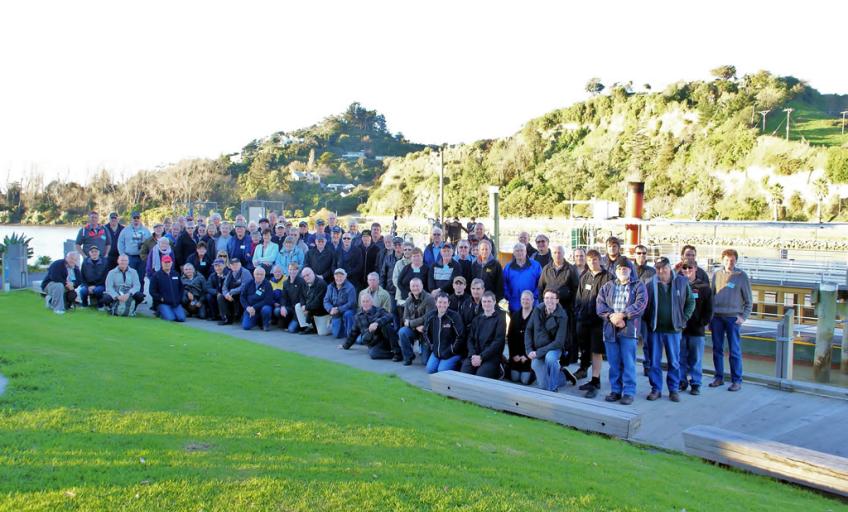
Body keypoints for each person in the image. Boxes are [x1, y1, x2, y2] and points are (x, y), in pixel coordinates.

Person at [644, 257, 695, 402]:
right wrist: (649, 321)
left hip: (673, 330)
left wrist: (683, 319)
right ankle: (656, 389)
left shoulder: (682, 282)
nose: (661, 270)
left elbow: (691, 302)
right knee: (654, 361)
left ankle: (673, 389)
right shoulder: (650, 284)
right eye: (658, 268)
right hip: (655, 330)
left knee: (674, 361)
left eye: (664, 267)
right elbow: (644, 305)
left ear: (669, 267)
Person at [596, 263, 648, 405]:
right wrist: (612, 317)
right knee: (614, 363)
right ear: (615, 270)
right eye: (619, 268)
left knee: (629, 362)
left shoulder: (638, 286)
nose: (622, 270)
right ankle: (616, 390)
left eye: (625, 268)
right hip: (610, 329)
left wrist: (623, 315)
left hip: (629, 329)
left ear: (630, 270)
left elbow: (641, 304)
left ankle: (629, 392)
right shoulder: (607, 286)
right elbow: (600, 305)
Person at [710, 248, 752, 391]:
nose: (729, 262)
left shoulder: (741, 276)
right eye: (727, 260)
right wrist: (710, 316)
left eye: (732, 260)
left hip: (733, 319)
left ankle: (736, 380)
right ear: (722, 260)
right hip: (717, 318)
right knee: (717, 349)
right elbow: (712, 296)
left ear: (736, 261)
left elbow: (749, 301)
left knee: (734, 350)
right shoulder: (716, 275)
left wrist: (743, 317)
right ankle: (719, 378)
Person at [574, 249, 612, 397]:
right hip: (584, 320)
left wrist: (605, 316)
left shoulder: (608, 277)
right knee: (585, 348)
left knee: (597, 351)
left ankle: (596, 380)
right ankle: (585, 373)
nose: (592, 262)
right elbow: (579, 297)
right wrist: (578, 313)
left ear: (600, 260)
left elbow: (610, 300)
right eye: (589, 260)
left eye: (595, 259)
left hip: (599, 322)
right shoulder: (585, 277)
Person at [526, 289, 571, 392]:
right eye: (546, 298)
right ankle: (563, 376)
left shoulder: (563, 316)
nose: (549, 300)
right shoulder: (537, 310)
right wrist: (529, 350)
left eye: (552, 298)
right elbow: (528, 329)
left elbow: (559, 342)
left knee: (550, 358)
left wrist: (538, 353)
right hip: (539, 348)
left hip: (554, 348)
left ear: (557, 300)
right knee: (540, 380)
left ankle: (553, 388)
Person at [680, 262, 713, 395]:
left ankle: (695, 383)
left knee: (696, 359)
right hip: (680, 329)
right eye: (684, 268)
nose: (687, 270)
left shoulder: (704, 287)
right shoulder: (678, 285)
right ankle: (681, 382)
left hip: (697, 330)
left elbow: (709, 309)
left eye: (690, 268)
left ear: (695, 269)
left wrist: (702, 322)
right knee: (680, 358)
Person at [461, 291, 506, 379]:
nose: (486, 304)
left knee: (480, 377)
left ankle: (499, 370)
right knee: (464, 374)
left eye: (489, 301)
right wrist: (473, 355)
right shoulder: (477, 319)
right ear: (481, 303)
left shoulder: (500, 319)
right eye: (484, 301)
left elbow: (498, 342)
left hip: (491, 357)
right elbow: (470, 339)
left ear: (494, 302)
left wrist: (481, 357)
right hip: (475, 355)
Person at [340, 293, 398, 360]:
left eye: (367, 301)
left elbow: (390, 316)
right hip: (373, 342)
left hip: (385, 339)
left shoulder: (379, 310)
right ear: (361, 303)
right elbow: (353, 333)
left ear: (372, 302)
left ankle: (397, 352)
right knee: (373, 354)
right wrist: (345, 346)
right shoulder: (358, 317)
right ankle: (393, 354)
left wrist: (377, 323)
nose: (365, 303)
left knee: (387, 326)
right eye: (363, 301)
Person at [422, 293, 466, 373]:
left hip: (452, 352)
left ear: (448, 304)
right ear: (436, 302)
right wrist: (432, 346)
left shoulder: (455, 316)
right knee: (430, 369)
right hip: (437, 351)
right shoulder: (430, 316)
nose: (442, 305)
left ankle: (457, 369)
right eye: (440, 302)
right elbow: (425, 332)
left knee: (441, 370)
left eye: (445, 302)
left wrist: (451, 350)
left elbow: (460, 336)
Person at [398, 278, 436, 365]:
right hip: (415, 329)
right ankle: (408, 357)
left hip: (426, 331)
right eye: (413, 286)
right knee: (402, 332)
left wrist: (411, 323)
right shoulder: (408, 300)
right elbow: (405, 318)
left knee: (425, 362)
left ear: (422, 286)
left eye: (417, 285)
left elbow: (427, 317)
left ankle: (424, 349)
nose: (415, 288)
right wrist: (415, 326)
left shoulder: (429, 299)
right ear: (410, 287)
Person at [503, 242, 542, 313]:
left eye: (522, 250)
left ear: (526, 252)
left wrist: (533, 296)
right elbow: (504, 284)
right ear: (514, 253)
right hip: (514, 306)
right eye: (517, 251)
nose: (519, 253)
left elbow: (541, 283)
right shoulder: (508, 267)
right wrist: (509, 297)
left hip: (532, 305)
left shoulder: (536, 265)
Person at [507, 291, 535, 384]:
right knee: (514, 378)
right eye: (523, 299)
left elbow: (537, 340)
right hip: (516, 355)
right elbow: (510, 337)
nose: (525, 301)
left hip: (529, 356)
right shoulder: (515, 315)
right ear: (520, 300)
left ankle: (537, 372)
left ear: (532, 301)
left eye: (528, 299)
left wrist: (527, 356)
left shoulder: (536, 316)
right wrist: (514, 355)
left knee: (525, 380)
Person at [149, 255, 186, 322]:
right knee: (170, 319)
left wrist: (179, 299)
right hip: (163, 303)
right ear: (162, 263)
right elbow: (152, 291)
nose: (167, 264)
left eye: (168, 262)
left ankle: (170, 311)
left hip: (176, 303)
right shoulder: (156, 275)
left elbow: (181, 288)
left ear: (171, 263)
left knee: (181, 318)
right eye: (165, 262)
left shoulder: (176, 274)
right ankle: (159, 312)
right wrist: (160, 298)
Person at [117, 212, 151, 284]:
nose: (136, 219)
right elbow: (120, 243)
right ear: (131, 219)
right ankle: (130, 294)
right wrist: (122, 255)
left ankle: (140, 294)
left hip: (142, 258)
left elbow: (150, 243)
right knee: (129, 278)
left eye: (137, 218)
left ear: (140, 219)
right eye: (134, 218)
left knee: (141, 278)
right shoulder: (125, 230)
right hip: (130, 257)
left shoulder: (146, 231)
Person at [323, 268, 357, 339]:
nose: (339, 278)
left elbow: (351, 303)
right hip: (335, 312)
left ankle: (350, 335)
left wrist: (339, 309)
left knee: (348, 314)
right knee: (336, 335)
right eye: (337, 276)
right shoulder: (330, 287)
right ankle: (343, 328)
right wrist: (330, 309)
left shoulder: (350, 287)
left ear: (345, 277)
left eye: (341, 276)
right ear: (334, 277)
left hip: (348, 311)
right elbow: (326, 301)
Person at [217, 258, 251, 325]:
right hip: (231, 295)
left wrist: (231, 292)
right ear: (230, 266)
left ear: (240, 264)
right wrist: (226, 294)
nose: (234, 266)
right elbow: (224, 286)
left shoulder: (245, 272)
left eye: (236, 264)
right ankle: (227, 318)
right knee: (220, 296)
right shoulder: (230, 273)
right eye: (233, 265)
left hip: (243, 295)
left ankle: (238, 316)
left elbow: (244, 287)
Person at [297, 267, 329, 334]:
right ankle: (308, 327)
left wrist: (306, 307)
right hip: (311, 310)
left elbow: (317, 303)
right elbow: (301, 296)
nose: (306, 277)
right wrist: (303, 305)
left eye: (308, 275)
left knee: (322, 333)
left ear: (313, 273)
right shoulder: (304, 283)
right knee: (298, 306)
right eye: (304, 276)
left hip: (321, 312)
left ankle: (327, 324)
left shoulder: (321, 284)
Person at [240, 266, 274, 330]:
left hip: (262, 308)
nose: (259, 276)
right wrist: (247, 307)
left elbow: (268, 300)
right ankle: (257, 321)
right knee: (246, 326)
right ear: (254, 274)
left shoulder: (268, 284)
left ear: (264, 275)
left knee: (266, 309)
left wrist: (254, 307)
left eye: (261, 274)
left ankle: (265, 324)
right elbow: (242, 297)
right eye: (257, 274)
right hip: (250, 308)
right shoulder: (248, 283)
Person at [279, 262, 306, 333]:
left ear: (297, 270)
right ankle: (287, 322)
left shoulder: (301, 281)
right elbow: (283, 297)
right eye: (290, 269)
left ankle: (299, 325)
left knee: (291, 329)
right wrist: (283, 306)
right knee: (277, 311)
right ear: (288, 270)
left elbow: (302, 296)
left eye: (294, 269)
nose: (292, 271)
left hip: (298, 309)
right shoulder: (285, 283)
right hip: (290, 307)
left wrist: (302, 306)